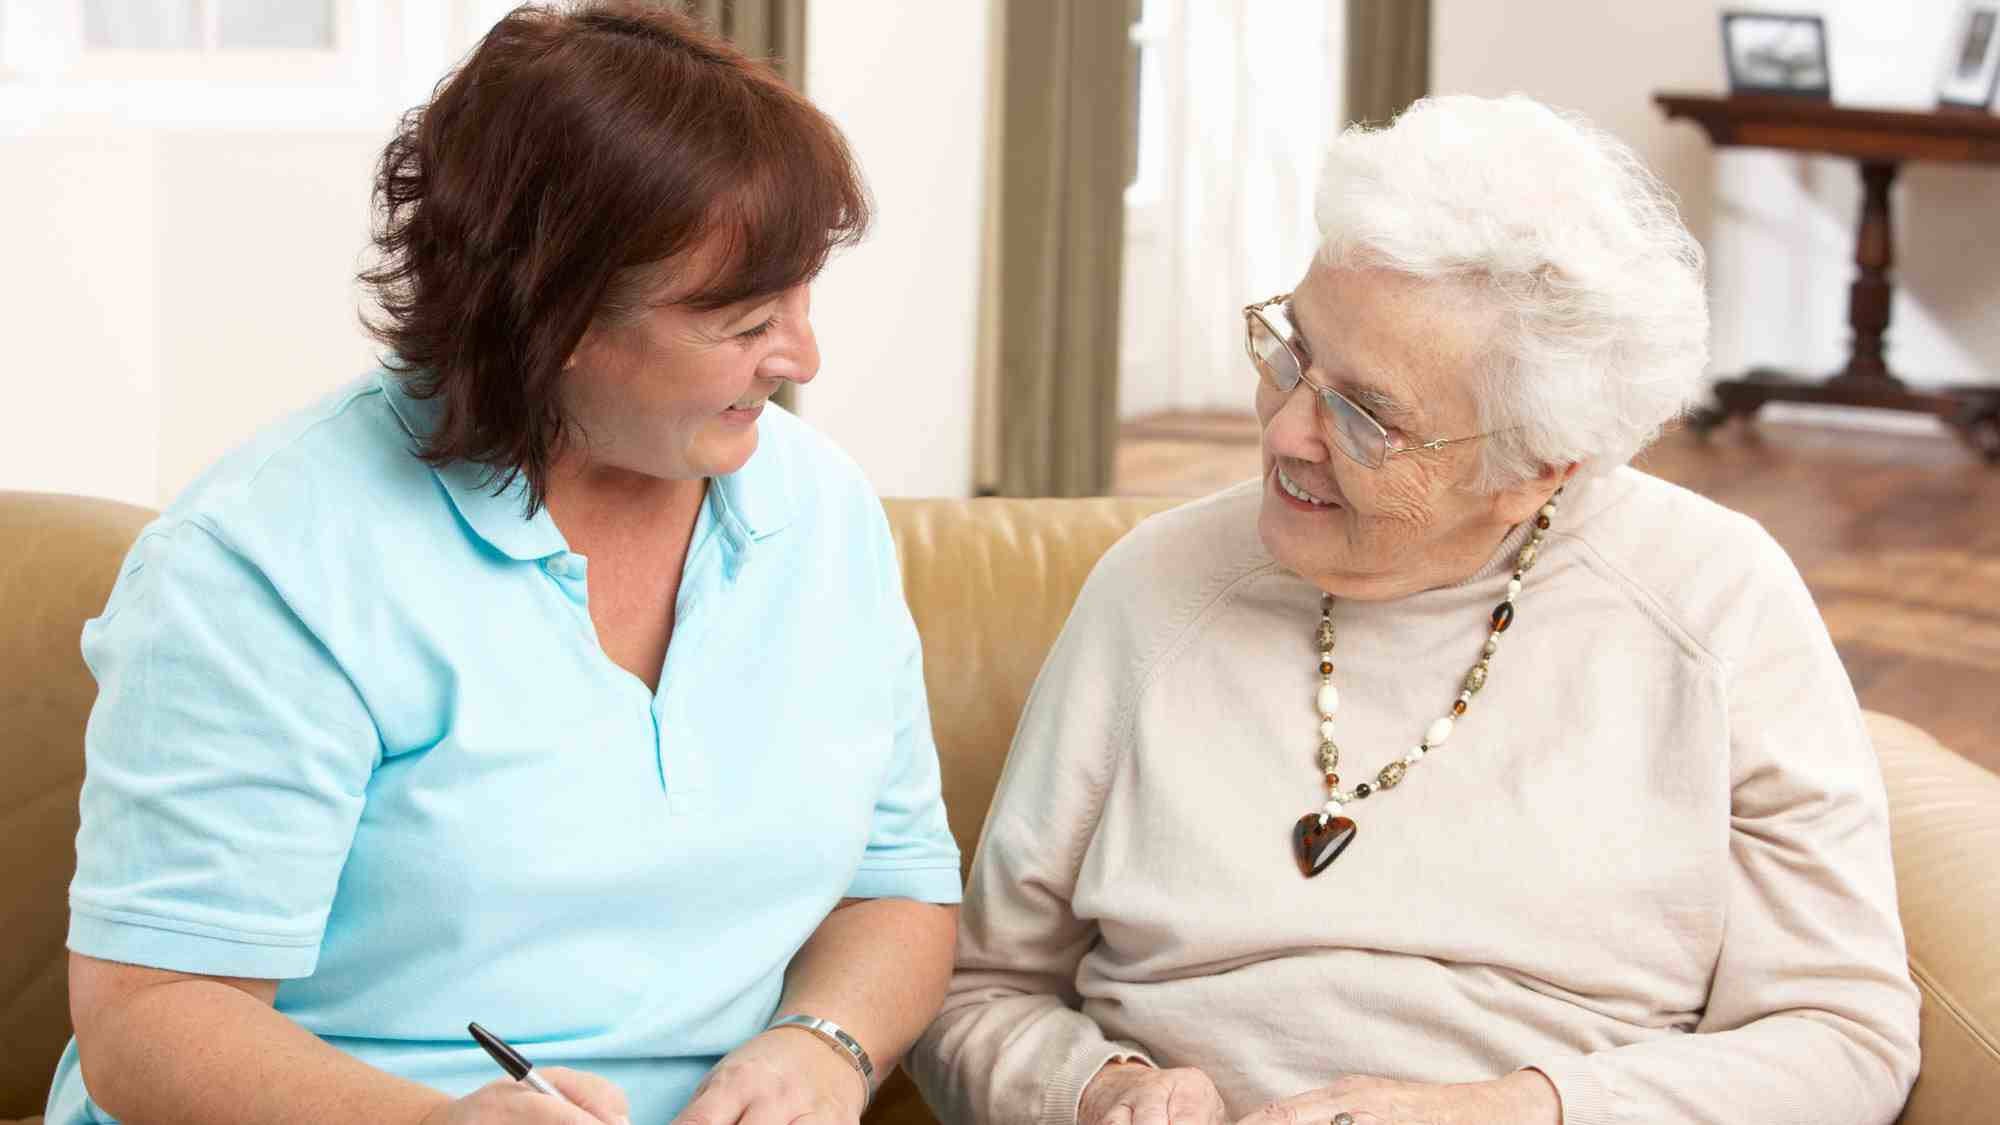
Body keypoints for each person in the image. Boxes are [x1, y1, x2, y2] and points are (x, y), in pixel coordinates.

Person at [908, 95, 1919, 1125]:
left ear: (1535, 467)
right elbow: (972, 994)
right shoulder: (1154, 589)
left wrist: (1515, 1110)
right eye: (1290, 355)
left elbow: (1840, 1040)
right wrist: (1099, 1092)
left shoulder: (1712, 607)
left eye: (1366, 416)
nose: (1286, 432)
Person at [49, 5, 960, 1124]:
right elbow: (150, 1015)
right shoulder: (266, 562)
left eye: (801, 295)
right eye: (741, 318)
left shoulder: (817, 513)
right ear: (555, 313)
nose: (802, 354)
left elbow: (897, 887)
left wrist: (823, 1044)